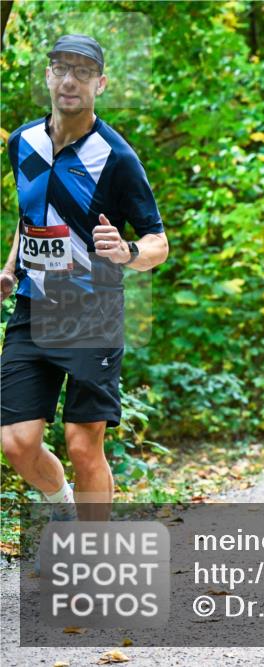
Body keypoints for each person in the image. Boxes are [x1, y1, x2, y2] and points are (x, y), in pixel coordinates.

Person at [0, 35, 169, 520]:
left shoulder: (116, 158)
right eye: (61, 68)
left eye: (82, 71)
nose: (69, 79)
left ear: (101, 82)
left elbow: (159, 242)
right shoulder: (22, 142)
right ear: (48, 76)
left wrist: (129, 250)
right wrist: (12, 268)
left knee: (81, 444)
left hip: (92, 312)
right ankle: (63, 505)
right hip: (33, 307)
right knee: (16, 443)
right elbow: (30, 212)